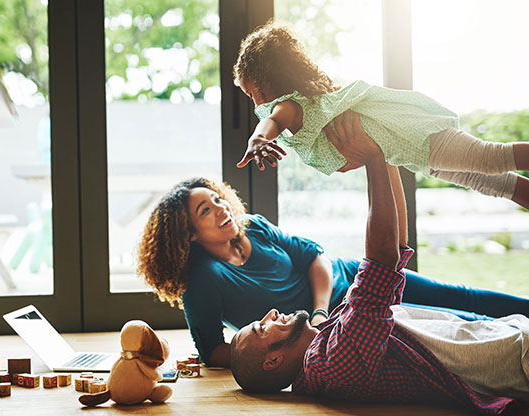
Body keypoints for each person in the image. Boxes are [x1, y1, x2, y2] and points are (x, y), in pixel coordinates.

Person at [136, 114, 529, 370]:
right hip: (343, 329)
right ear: (188, 233)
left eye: (218, 198)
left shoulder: (251, 226)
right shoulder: (203, 280)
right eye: (206, 211)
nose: (222, 208)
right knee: (458, 326)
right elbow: (214, 351)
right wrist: (296, 350)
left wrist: (320, 313)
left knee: (462, 297)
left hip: (353, 280)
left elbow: (314, 258)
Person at [230, 117, 528, 413]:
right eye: (260, 328)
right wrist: (371, 157)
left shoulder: (330, 336)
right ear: (272, 361)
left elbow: (395, 251)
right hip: (516, 359)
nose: (269, 315)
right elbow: (382, 261)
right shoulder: (329, 363)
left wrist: (386, 156)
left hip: (508, 335)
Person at [233, 21, 529, 210]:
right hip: (414, 153)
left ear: (267, 79)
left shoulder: (290, 107)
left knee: (493, 157)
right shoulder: (313, 105)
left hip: (417, 137)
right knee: (494, 183)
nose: (254, 103)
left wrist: (258, 140)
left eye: (251, 93)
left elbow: (270, 122)